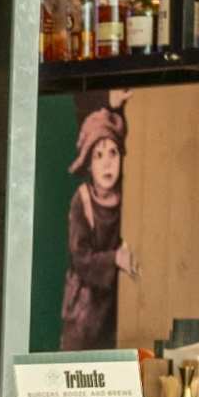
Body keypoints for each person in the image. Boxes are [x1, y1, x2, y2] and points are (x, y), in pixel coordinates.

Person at [61, 98, 129, 353]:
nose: (107, 163)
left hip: (112, 308)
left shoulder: (128, 198)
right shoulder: (83, 201)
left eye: (113, 153)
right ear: (88, 163)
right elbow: (80, 257)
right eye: (98, 155)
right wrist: (114, 259)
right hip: (84, 311)